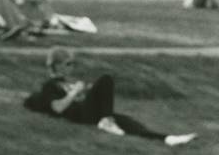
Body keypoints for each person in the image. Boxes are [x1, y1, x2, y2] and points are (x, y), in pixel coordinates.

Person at [24, 47, 197, 146]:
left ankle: (168, 138)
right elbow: (57, 108)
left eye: (73, 64)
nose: (72, 68)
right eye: (68, 64)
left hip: (89, 111)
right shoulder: (49, 85)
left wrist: (84, 91)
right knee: (106, 79)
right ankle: (106, 121)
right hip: (81, 116)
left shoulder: (66, 81)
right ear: (57, 66)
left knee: (129, 123)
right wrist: (74, 92)